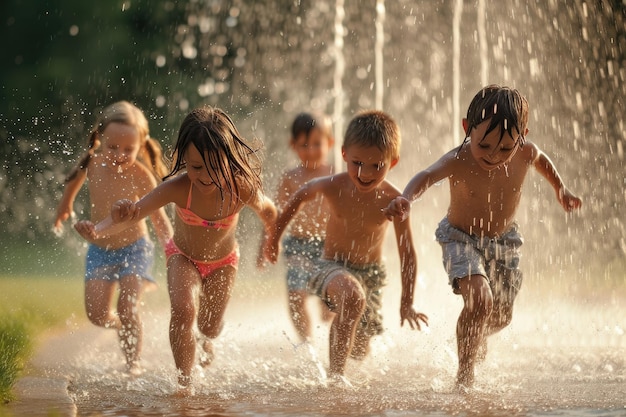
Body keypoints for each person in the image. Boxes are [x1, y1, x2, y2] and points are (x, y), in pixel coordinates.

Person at [384, 85, 583, 389]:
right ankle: (465, 377)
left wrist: (561, 188)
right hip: (460, 238)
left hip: (504, 242)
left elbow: (541, 160)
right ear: (467, 128)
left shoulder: (525, 152)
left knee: (501, 317)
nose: (493, 155)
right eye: (484, 145)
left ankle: (473, 333)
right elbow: (426, 175)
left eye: (505, 148)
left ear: (522, 136)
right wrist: (407, 198)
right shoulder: (458, 158)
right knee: (480, 300)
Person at [76, 106, 277, 395]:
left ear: (229, 159)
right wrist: (100, 229)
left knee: (209, 326)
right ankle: (185, 384)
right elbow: (133, 214)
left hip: (224, 263)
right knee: (183, 310)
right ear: (184, 160)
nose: (205, 176)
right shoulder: (179, 187)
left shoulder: (240, 188)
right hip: (183, 257)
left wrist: (272, 240)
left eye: (214, 167)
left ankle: (205, 339)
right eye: (195, 167)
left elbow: (269, 211)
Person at [264, 109, 429, 382]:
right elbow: (298, 198)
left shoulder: (393, 200)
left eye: (377, 166)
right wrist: (274, 239)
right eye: (357, 163)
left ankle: (344, 374)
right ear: (343, 154)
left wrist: (407, 301)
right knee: (352, 297)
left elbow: (407, 253)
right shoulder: (333, 185)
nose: (365, 173)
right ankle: (335, 381)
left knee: (360, 350)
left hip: (371, 275)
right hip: (332, 266)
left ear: (393, 162)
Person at [54, 100, 173, 375]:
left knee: (128, 306)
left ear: (140, 147)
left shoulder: (142, 176)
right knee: (97, 315)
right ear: (100, 139)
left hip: (136, 249)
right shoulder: (92, 164)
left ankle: (133, 363)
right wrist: (66, 204)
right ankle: (123, 324)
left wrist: (172, 249)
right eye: (112, 147)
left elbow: (159, 219)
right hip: (100, 249)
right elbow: (74, 180)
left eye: (128, 150)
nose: (119, 154)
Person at [274, 112, 335, 342]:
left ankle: (330, 330)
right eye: (304, 145)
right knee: (295, 296)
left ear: (330, 143)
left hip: (330, 246)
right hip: (298, 246)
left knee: (330, 303)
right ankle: (306, 342)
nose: (311, 150)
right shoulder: (291, 177)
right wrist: (269, 242)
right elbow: (276, 214)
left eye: (317, 144)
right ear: (293, 145)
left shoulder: (334, 174)